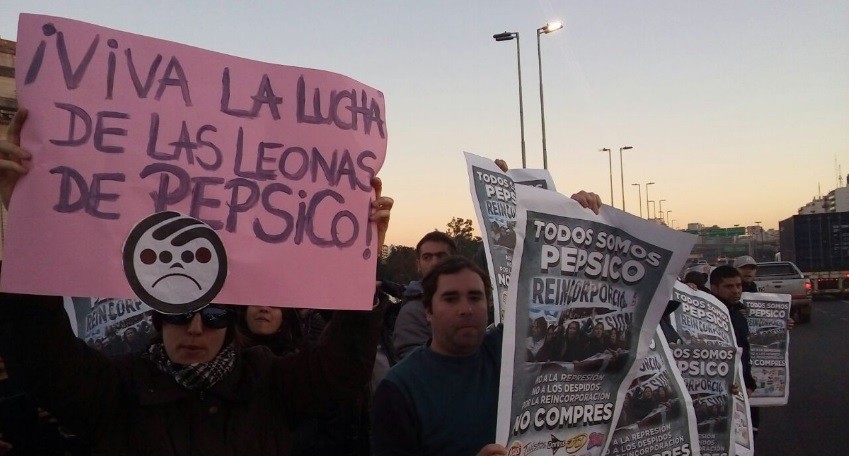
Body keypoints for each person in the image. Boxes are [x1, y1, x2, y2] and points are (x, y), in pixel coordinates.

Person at [0, 108, 394, 455]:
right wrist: (25, 225)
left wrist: (360, 264)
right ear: (157, 315)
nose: (195, 328)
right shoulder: (116, 389)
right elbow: (40, 357)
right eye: (178, 312)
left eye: (215, 315)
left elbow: (343, 366)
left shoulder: (269, 384)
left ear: (232, 320)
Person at [371, 191, 602, 456]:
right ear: (428, 311)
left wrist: (575, 218)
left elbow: (564, 302)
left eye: (475, 297)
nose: (466, 309)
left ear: (488, 304)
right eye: (450, 298)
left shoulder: (506, 352)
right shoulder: (400, 390)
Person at [391, 230, 457, 360]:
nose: (434, 263)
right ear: (418, 265)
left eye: (441, 256)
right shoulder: (412, 311)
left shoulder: (470, 299)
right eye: (427, 257)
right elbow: (414, 365)